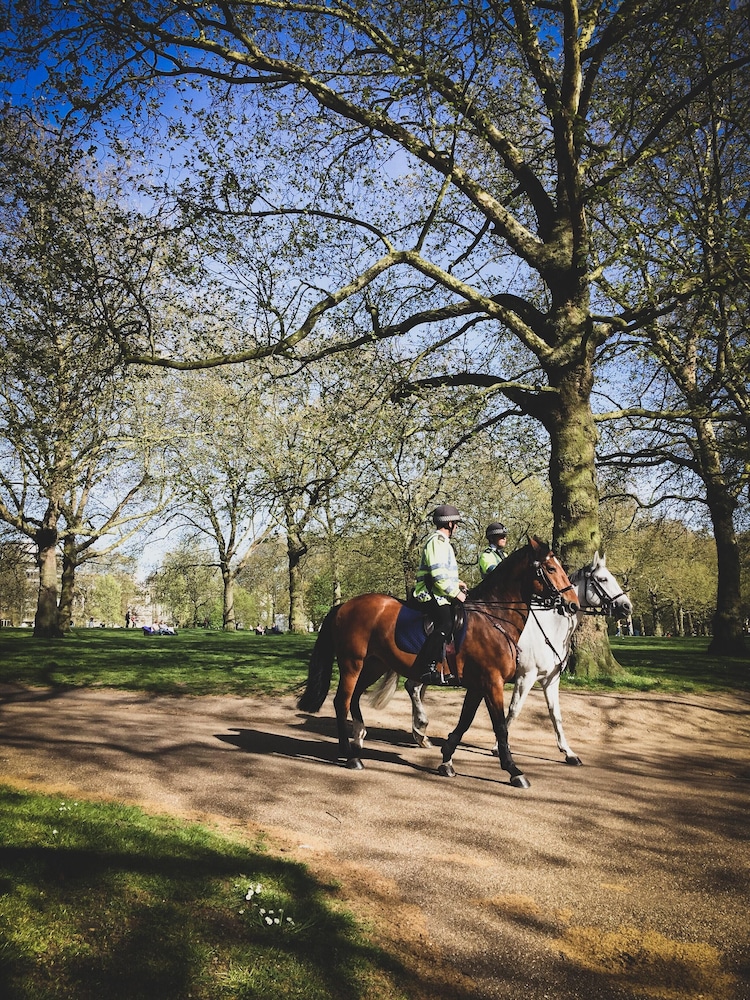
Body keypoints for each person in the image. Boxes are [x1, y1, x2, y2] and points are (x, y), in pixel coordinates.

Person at [412, 504, 468, 685]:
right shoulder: (437, 541)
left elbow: (444, 573)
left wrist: (457, 583)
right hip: (430, 593)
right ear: (450, 524)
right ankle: (427, 668)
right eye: (456, 523)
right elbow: (437, 576)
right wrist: (457, 593)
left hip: (441, 592)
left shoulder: (443, 543)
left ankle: (450, 667)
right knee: (446, 623)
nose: (457, 527)